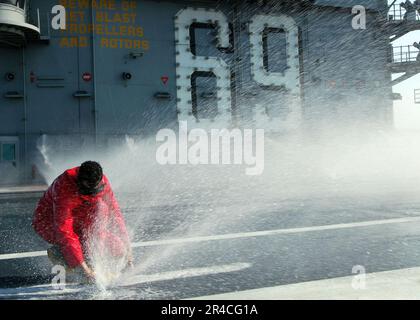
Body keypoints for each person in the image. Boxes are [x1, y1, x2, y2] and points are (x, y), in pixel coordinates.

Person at [32, 161, 133, 283]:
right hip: (48, 221)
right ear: (79, 182)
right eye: (87, 190)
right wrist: (85, 270)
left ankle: (84, 261)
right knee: (75, 247)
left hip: (80, 219)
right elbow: (65, 230)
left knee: (117, 247)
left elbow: (116, 215)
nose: (91, 193)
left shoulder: (103, 183)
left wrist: (128, 253)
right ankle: (60, 254)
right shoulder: (64, 186)